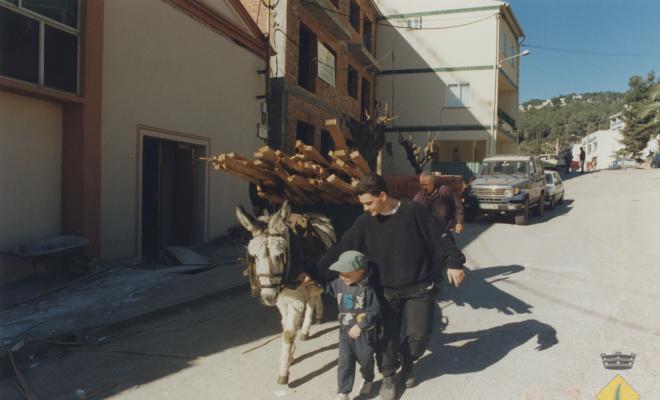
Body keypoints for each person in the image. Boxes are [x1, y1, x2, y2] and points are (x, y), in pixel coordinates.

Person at [300, 174, 466, 400]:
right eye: (363, 204)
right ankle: (388, 377)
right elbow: (342, 248)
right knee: (385, 338)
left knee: (419, 337)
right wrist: (316, 273)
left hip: (419, 287)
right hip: (384, 289)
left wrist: (453, 262)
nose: (366, 209)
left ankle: (408, 362)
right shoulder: (365, 222)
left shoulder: (414, 212)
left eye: (369, 203)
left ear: (383, 195)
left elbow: (440, 237)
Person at [325, 251, 380, 400]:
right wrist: (312, 282)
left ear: (360, 272)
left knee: (366, 360)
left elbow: (374, 311)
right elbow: (327, 287)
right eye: (341, 273)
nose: (343, 277)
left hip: (364, 334)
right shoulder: (339, 283)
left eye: (347, 274)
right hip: (344, 331)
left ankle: (368, 378)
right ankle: (343, 392)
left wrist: (360, 325)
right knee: (344, 362)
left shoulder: (368, 289)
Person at [413, 171, 465, 236]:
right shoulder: (419, 197)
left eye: (426, 185)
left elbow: (458, 206)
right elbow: (411, 213)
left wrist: (459, 222)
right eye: (422, 185)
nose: (424, 188)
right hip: (430, 232)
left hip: (448, 229)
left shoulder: (445, 190)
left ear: (433, 183)